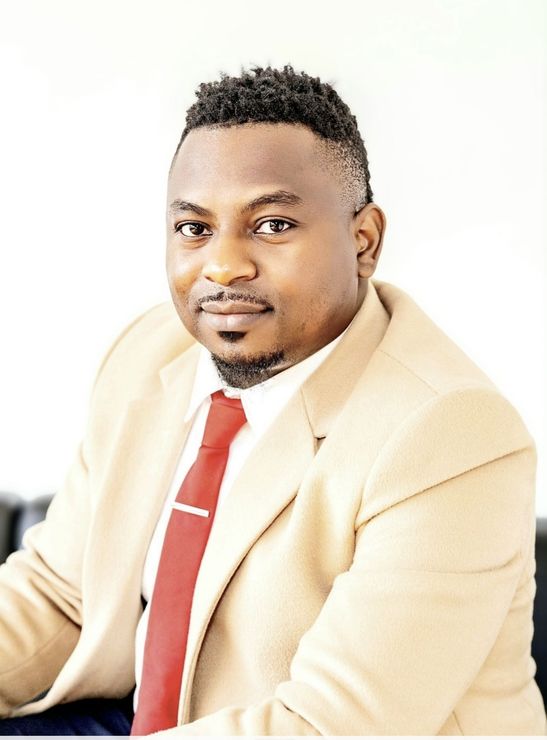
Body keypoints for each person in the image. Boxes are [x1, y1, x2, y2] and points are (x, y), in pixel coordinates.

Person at [0, 65, 544, 736]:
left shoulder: (449, 432)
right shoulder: (151, 352)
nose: (222, 265)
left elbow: (329, 726)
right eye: (194, 230)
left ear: (363, 241)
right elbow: (63, 595)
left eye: (272, 224)